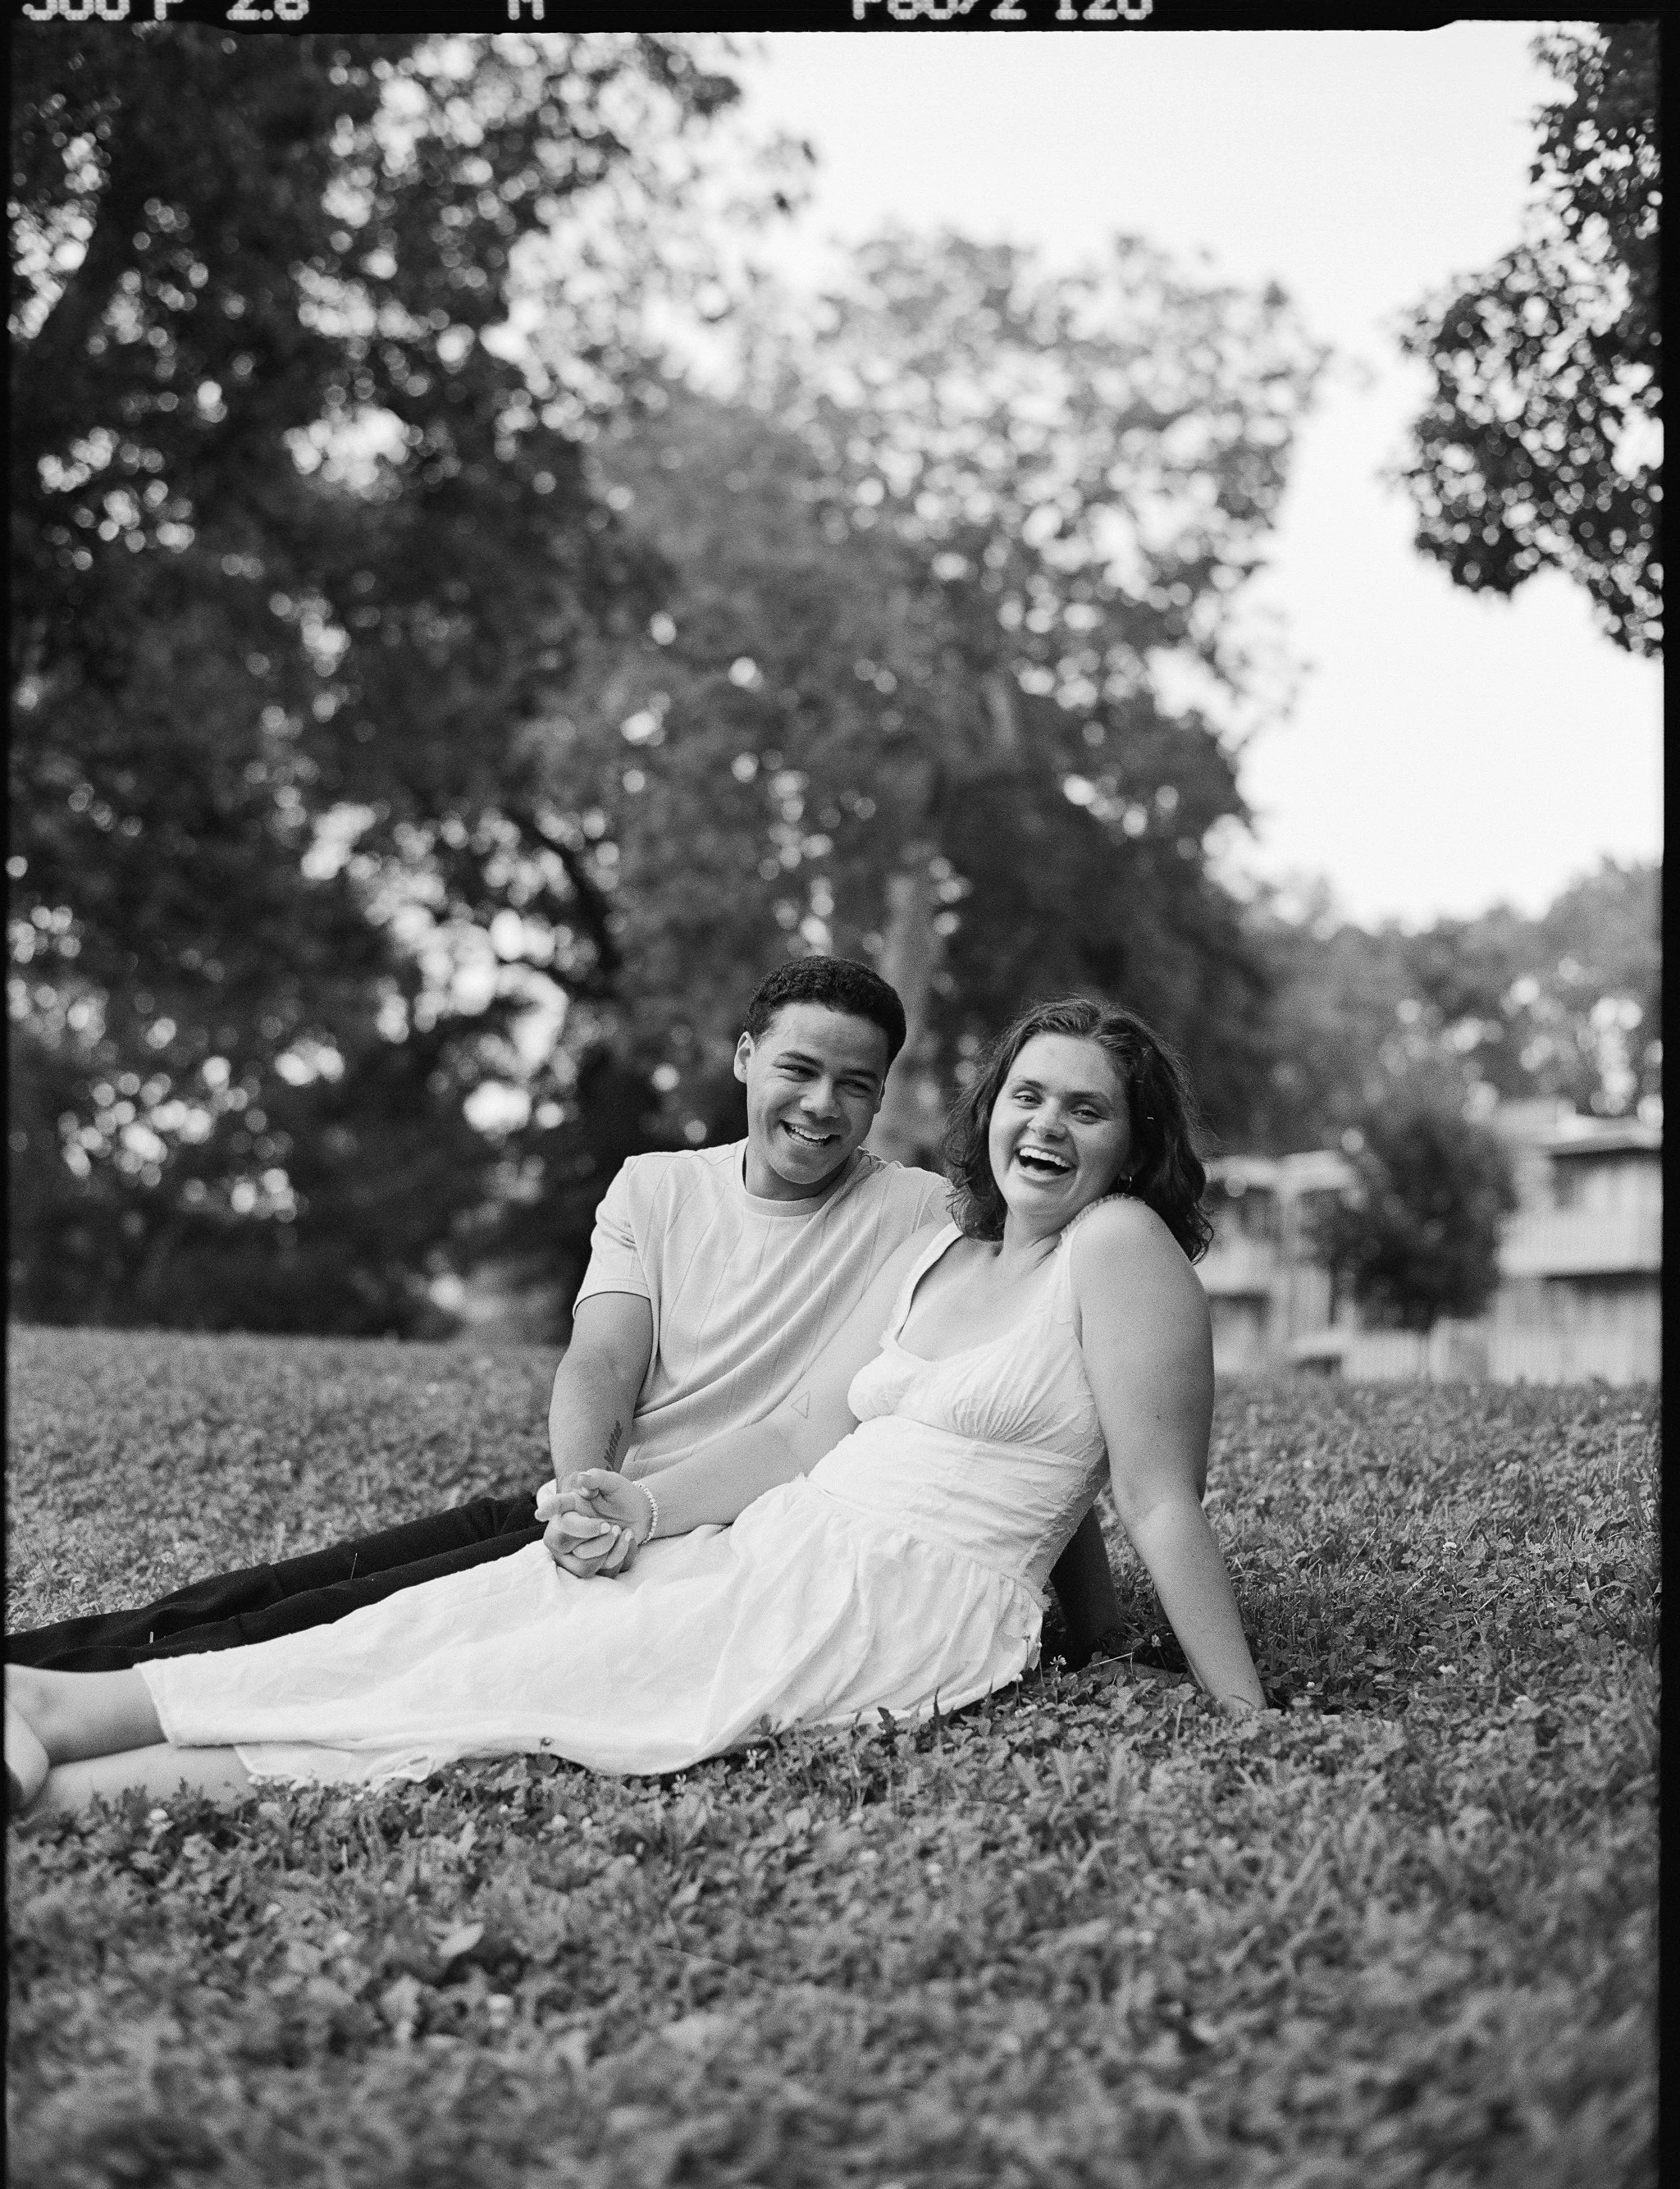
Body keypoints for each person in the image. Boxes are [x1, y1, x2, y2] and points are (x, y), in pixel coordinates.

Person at [6, 997, 1266, 1817]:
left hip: (890, 1599)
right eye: (1026, 1096)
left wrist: (1251, 1723)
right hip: (768, 1536)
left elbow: (1154, 1500)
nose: (1044, 1125)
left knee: (510, 1700)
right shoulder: (946, 1247)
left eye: (1085, 1108)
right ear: (989, 1109)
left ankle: (67, 1786)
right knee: (448, 1625)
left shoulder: (1119, 1244)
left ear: (1132, 1138)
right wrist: (638, 1503)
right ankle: (53, 1710)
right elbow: (792, 1436)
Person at [6, 955, 1122, 1670]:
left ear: (883, 1096)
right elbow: (601, 1360)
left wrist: (1095, 1630)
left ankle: (74, 1700)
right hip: (601, 1500)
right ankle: (38, 1664)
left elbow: (1021, 1399)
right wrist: (584, 1491)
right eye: (799, 1070)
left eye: (857, 1085)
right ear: (744, 1061)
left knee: (325, 1629)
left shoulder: (928, 1216)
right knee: (299, 1582)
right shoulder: (654, 1186)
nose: (823, 1105)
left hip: (723, 1538)